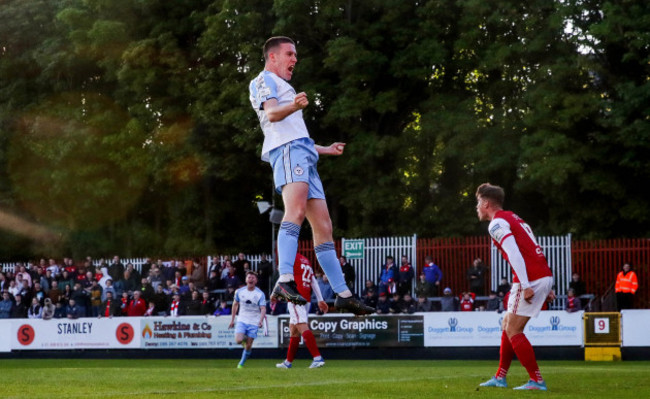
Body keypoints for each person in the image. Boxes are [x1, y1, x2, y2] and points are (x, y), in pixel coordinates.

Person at [249, 36, 372, 315]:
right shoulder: (263, 80)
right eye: (290, 54)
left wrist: (325, 149)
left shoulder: (284, 86)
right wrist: (293, 105)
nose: (295, 59)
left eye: (295, 54)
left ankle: (342, 293)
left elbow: (296, 133)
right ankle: (284, 279)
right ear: (272, 57)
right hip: (288, 152)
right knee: (296, 211)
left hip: (303, 152)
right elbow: (272, 114)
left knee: (324, 226)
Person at [476, 183, 555, 391]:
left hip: (528, 279)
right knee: (507, 325)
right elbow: (532, 246)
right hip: (538, 275)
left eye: (477, 202)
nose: (476, 207)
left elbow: (514, 254)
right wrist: (546, 282)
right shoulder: (513, 217)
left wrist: (528, 285)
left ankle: (537, 381)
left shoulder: (496, 224)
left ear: (485, 203)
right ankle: (500, 377)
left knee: (513, 329)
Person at [276, 254, 328, 369]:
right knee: (293, 330)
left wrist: (274, 293)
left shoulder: (290, 257)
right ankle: (288, 362)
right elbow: (313, 281)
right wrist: (320, 299)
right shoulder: (305, 260)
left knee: (301, 325)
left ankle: (317, 358)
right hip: (306, 298)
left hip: (296, 297)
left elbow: (283, 276)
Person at [229, 271, 267, 368]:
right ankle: (244, 339)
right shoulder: (239, 291)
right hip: (242, 319)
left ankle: (241, 364)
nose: (250, 279)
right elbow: (235, 304)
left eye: (253, 278)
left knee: (249, 346)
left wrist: (261, 320)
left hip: (254, 322)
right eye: (249, 277)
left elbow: (263, 308)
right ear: (246, 280)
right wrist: (232, 320)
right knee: (238, 340)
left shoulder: (260, 294)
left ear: (256, 280)